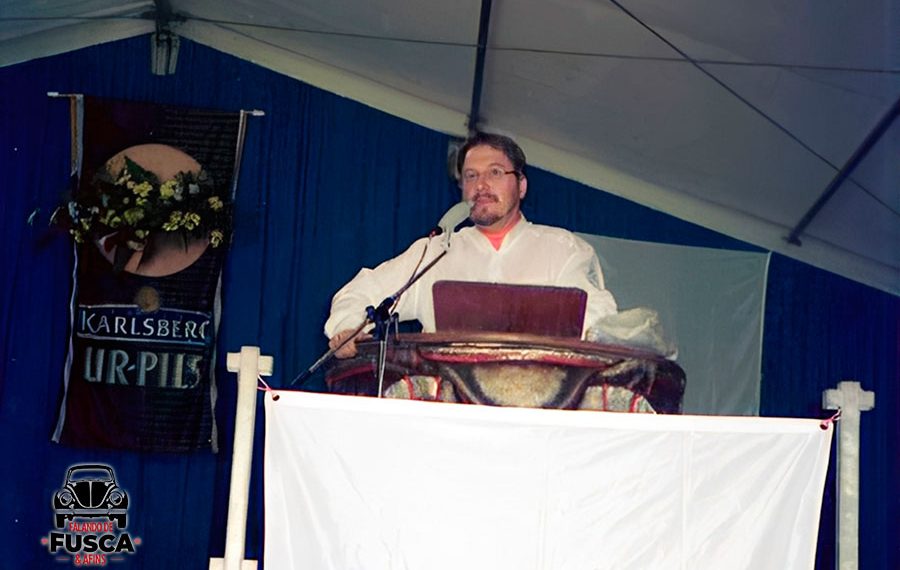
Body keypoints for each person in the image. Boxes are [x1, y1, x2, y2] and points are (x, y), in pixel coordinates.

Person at [325, 132, 617, 358]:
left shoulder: (563, 249)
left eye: (495, 172)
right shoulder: (436, 252)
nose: (481, 185)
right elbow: (361, 291)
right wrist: (346, 327)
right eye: (471, 176)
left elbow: (598, 318)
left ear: (522, 186)